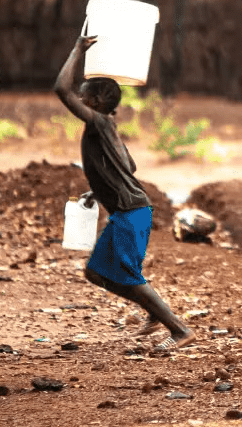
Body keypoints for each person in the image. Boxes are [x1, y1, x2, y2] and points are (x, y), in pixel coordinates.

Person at [54, 34, 195, 352]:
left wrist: (77, 49)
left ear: (95, 103)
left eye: (83, 93)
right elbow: (128, 166)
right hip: (128, 211)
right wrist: (98, 188)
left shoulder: (100, 123)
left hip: (131, 213)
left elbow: (60, 89)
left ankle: (180, 330)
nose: (78, 95)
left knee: (128, 274)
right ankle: (154, 313)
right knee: (95, 272)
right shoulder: (108, 128)